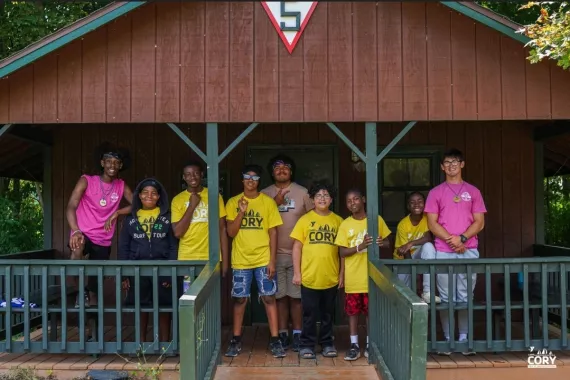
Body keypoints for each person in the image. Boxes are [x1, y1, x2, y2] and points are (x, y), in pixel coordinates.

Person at [424, 148, 486, 356]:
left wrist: (463, 239)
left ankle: (464, 339)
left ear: (462, 164)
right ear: (442, 166)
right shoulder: (435, 192)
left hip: (469, 250)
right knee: (447, 297)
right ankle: (449, 340)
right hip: (443, 250)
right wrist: (452, 240)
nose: (451, 165)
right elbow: (432, 223)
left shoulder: (474, 191)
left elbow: (480, 221)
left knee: (465, 296)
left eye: (455, 161)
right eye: (447, 162)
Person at [224, 164, 286, 358]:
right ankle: (236, 339)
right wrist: (241, 212)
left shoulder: (267, 203)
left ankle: (275, 340)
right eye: (247, 177)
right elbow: (230, 232)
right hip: (241, 260)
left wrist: (272, 261)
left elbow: (273, 232)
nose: (250, 180)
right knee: (240, 299)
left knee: (269, 297)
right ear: (242, 180)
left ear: (259, 181)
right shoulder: (233, 202)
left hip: (263, 259)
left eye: (254, 177)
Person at [66, 143, 133, 308]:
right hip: (83, 233)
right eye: (108, 161)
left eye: (116, 162)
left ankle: (93, 331)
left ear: (121, 165)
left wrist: (118, 213)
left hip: (103, 240)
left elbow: (137, 204)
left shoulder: (121, 185)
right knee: (77, 248)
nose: (112, 165)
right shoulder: (86, 181)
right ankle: (80, 291)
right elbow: (71, 206)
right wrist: (75, 230)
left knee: (95, 289)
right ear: (102, 163)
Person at [260, 154, 313, 351]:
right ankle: (282, 334)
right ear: (271, 172)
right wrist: (275, 201)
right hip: (272, 256)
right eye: (277, 167)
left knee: (297, 298)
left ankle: (298, 335)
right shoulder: (264, 194)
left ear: (292, 171)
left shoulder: (303, 193)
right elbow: (261, 219)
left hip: (299, 255)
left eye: (286, 167)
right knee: (279, 297)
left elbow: (314, 219)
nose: (281, 170)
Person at [118, 178, 178, 345]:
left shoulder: (167, 217)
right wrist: (124, 274)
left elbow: (173, 247)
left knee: (165, 307)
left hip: (163, 269)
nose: (149, 196)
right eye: (145, 192)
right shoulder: (130, 219)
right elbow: (123, 247)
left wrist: (170, 272)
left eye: (153, 193)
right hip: (137, 269)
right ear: (139, 196)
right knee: (140, 306)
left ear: (159, 196)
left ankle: (165, 344)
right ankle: (141, 345)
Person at [334, 189, 391, 361]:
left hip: (371, 276)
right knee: (353, 313)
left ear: (363, 200)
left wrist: (382, 242)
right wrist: (361, 246)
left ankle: (369, 343)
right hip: (353, 277)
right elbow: (342, 252)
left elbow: (388, 243)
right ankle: (354, 345)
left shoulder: (375, 220)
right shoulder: (345, 224)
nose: (352, 203)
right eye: (349, 201)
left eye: (356, 199)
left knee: (369, 313)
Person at [291, 183, 344, 360]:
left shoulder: (338, 221)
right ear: (312, 200)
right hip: (309, 277)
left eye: (326, 195)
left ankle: (327, 343)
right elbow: (297, 248)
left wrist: (342, 274)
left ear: (331, 199)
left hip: (331, 277)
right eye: (318, 195)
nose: (322, 198)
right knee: (309, 314)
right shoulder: (305, 220)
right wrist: (297, 273)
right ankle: (307, 345)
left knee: (328, 314)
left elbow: (342, 252)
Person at [171, 161, 229, 275]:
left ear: (202, 174)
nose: (192, 177)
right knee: (190, 293)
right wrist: (192, 206)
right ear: (184, 177)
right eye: (188, 174)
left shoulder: (215, 196)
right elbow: (178, 233)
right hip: (187, 258)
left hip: (212, 257)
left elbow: (222, 229)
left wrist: (225, 262)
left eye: (196, 173)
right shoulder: (177, 200)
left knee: (212, 292)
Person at [394, 192, 441, 304]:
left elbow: (428, 237)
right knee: (404, 295)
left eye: (420, 201)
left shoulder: (426, 218)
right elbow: (405, 253)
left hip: (419, 253)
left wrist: (410, 243)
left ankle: (427, 292)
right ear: (408, 206)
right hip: (403, 259)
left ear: (425, 204)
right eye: (412, 202)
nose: (416, 204)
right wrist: (415, 272)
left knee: (429, 246)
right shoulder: (403, 224)